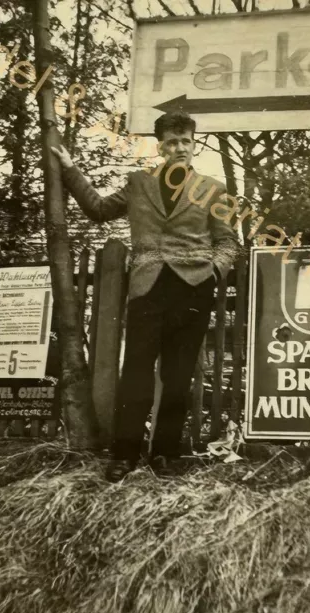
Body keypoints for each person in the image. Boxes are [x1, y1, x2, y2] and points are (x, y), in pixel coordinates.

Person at [51, 111, 239, 480]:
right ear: (161, 146)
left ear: (194, 144)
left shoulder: (214, 189)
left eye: (185, 141)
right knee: (135, 372)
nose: (179, 148)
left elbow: (228, 242)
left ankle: (166, 455)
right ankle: (124, 455)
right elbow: (99, 210)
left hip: (193, 289)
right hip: (147, 287)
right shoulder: (138, 183)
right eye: (172, 142)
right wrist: (70, 170)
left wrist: (211, 272)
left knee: (179, 374)